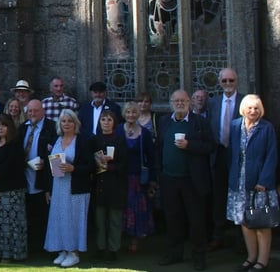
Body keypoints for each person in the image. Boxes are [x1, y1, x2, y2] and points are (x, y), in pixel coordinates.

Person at [156, 89, 215, 270]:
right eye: (176, 100)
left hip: (192, 181)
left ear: (189, 102)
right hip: (169, 180)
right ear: (171, 102)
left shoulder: (200, 122)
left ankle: (199, 257)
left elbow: (210, 146)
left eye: (183, 100)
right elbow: (159, 147)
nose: (180, 103)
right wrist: (159, 174)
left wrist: (190, 145)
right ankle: (174, 254)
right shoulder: (164, 121)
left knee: (196, 221)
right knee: (173, 219)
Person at [227, 95, 277, 272]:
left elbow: (272, 156)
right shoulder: (235, 126)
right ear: (243, 109)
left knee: (261, 223)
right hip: (239, 183)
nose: (253, 111)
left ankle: (262, 261)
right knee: (244, 221)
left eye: (256, 108)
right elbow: (231, 153)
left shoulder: (266, 128)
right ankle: (251, 257)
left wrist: (264, 181)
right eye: (250, 108)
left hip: (259, 185)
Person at [44, 109, 94, 268]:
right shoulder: (57, 139)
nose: (66, 124)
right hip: (59, 185)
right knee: (59, 218)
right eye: (63, 121)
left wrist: (73, 168)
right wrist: (48, 188)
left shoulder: (82, 141)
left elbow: (91, 165)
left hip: (76, 186)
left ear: (75, 123)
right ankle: (63, 249)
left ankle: (74, 252)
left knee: (73, 219)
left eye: (69, 121)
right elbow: (52, 165)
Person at [0, 114, 27, 262]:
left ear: (10, 127)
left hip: (11, 190)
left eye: (4, 125)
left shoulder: (15, 144)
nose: (0, 128)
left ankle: (10, 254)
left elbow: (12, 164)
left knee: (10, 223)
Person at [207, 67, 243, 251]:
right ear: (220, 83)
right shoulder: (213, 102)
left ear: (237, 81)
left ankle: (241, 239)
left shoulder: (245, 101)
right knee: (218, 196)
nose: (228, 84)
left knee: (238, 195)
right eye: (224, 81)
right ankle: (218, 236)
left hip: (238, 155)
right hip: (218, 153)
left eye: (231, 81)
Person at [21, 98, 58, 253]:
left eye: (36, 110)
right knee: (28, 216)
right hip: (25, 178)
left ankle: (46, 247)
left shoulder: (53, 127)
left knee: (44, 216)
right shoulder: (23, 128)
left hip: (44, 181)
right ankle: (31, 247)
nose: (32, 113)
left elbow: (59, 153)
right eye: (29, 111)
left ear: (43, 111)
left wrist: (47, 163)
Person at [92, 108, 128, 262]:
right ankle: (101, 247)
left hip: (116, 184)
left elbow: (125, 164)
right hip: (99, 184)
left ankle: (113, 249)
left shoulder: (120, 140)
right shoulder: (95, 140)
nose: (106, 123)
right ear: (99, 123)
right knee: (100, 219)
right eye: (103, 120)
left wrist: (110, 166)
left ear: (114, 123)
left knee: (114, 219)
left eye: (109, 120)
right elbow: (89, 162)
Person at [121, 101, 155, 252]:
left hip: (137, 178)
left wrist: (153, 179)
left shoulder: (144, 133)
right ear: (124, 114)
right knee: (121, 208)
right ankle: (120, 238)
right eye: (128, 112)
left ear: (138, 114)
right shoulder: (117, 130)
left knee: (136, 209)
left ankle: (135, 240)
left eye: (134, 112)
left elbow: (151, 157)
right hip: (120, 176)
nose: (131, 115)